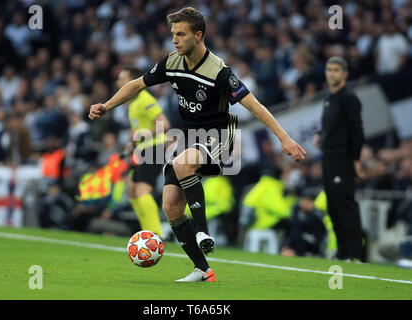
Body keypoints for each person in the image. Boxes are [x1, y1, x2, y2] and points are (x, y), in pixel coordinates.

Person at [89, 7, 306, 282]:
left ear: (198, 35)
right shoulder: (171, 62)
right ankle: (203, 270)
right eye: (173, 34)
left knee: (182, 163)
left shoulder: (220, 72)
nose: (175, 40)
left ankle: (202, 230)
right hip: (189, 136)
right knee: (170, 206)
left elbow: (255, 107)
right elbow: (136, 84)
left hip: (217, 136)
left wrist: (284, 138)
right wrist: (106, 106)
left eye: (181, 34)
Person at [313, 56, 365, 262]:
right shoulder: (329, 98)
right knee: (333, 205)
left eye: (336, 70)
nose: (332, 73)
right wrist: (320, 135)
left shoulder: (349, 98)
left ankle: (356, 254)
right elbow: (331, 126)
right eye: (329, 69)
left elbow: (357, 130)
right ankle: (343, 252)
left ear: (345, 74)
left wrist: (356, 160)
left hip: (343, 158)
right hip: (328, 158)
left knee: (346, 205)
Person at [115, 66, 170, 237]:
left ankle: (156, 234)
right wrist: (131, 145)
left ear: (132, 81)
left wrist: (141, 134)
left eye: (122, 78)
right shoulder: (132, 103)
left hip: (155, 148)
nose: (118, 82)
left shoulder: (145, 98)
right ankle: (148, 232)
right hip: (144, 149)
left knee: (141, 190)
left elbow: (164, 124)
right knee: (132, 190)